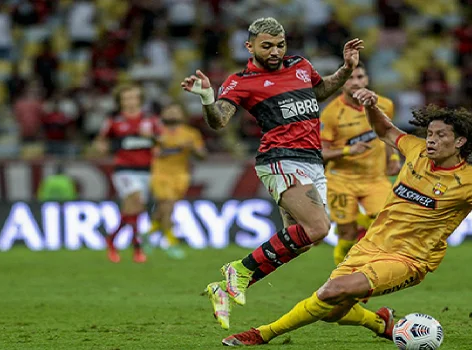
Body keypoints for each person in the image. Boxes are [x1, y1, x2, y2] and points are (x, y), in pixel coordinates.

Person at [220, 90, 472, 346]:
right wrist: (373, 107)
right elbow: (386, 132)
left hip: (410, 258)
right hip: (370, 245)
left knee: (331, 291)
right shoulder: (416, 152)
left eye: (440, 135)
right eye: (430, 133)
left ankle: (262, 334)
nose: (431, 140)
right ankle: (381, 322)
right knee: (331, 310)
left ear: (460, 142)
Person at [180, 17, 363, 329]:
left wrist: (345, 70)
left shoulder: (301, 65)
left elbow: (319, 92)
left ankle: (224, 290)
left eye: (280, 45)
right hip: (280, 158)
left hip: (311, 159)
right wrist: (208, 99)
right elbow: (219, 120)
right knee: (319, 227)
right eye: (267, 46)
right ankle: (238, 269)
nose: (275, 51)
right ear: (249, 46)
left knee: (304, 240)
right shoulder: (241, 81)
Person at [319, 63, 400, 265]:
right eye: (350, 78)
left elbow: (387, 134)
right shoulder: (331, 113)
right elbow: (320, 153)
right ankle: (340, 268)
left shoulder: (385, 104)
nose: (356, 82)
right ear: (341, 82)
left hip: (375, 179)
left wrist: (393, 158)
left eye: (360, 77)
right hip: (341, 180)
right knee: (347, 232)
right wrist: (347, 150)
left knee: (386, 223)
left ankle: (373, 267)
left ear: (367, 79)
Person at [95, 84, 160, 264]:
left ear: (139, 99)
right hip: (124, 169)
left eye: (134, 97)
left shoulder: (150, 120)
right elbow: (100, 143)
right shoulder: (114, 121)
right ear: (120, 102)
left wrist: (151, 139)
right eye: (126, 98)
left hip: (146, 170)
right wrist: (103, 147)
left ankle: (112, 239)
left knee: (133, 209)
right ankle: (137, 248)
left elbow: (161, 142)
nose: (131, 101)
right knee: (136, 200)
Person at [140, 103, 206, 259]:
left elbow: (203, 155)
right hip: (160, 174)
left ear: (182, 115)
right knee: (168, 206)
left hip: (181, 175)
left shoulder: (191, 134)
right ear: (163, 114)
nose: (172, 113)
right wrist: (175, 146)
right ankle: (171, 243)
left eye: (175, 110)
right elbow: (156, 153)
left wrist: (193, 149)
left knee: (163, 210)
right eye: (169, 110)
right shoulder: (155, 132)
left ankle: (147, 235)